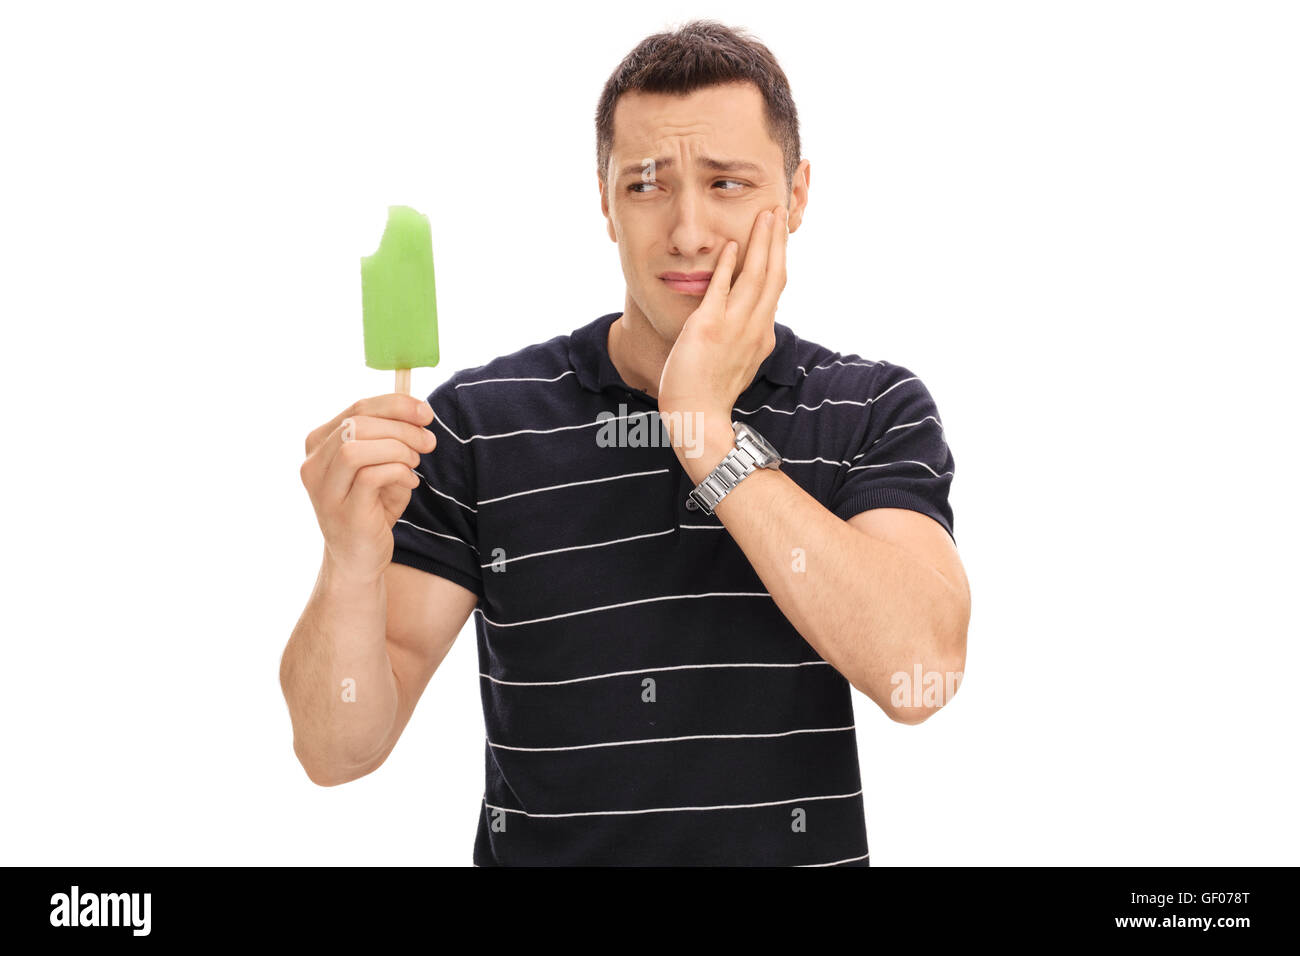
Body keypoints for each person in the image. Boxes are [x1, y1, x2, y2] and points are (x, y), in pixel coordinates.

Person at [282, 19, 970, 867]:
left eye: (727, 183)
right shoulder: (477, 423)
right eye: (647, 185)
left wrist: (707, 435)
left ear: (794, 197)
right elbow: (337, 750)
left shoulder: (870, 408)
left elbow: (920, 673)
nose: (687, 232)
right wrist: (347, 561)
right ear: (604, 201)